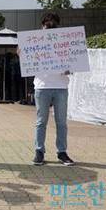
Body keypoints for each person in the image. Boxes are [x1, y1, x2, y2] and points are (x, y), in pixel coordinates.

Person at [32, 13, 75, 166]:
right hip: (42, 86)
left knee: (61, 122)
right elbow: (25, 58)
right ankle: (39, 151)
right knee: (41, 121)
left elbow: (74, 63)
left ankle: (62, 152)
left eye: (53, 24)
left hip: (61, 86)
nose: (50, 27)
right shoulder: (35, 42)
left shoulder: (66, 43)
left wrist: (70, 69)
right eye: (47, 24)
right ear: (42, 26)